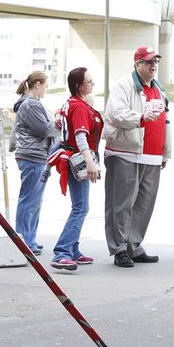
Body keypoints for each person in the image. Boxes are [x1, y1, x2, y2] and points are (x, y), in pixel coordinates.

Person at [102, 45, 170, 268]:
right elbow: (116, 114)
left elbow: (165, 121)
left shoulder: (158, 89)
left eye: (155, 62)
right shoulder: (124, 85)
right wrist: (141, 117)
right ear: (137, 64)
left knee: (144, 204)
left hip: (151, 155)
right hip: (126, 153)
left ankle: (134, 244)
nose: (153, 66)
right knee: (122, 203)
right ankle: (119, 247)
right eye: (148, 62)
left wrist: (165, 151)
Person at [47, 67, 104, 270]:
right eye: (89, 81)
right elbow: (80, 136)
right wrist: (90, 162)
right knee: (80, 207)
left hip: (75, 156)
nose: (92, 84)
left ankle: (71, 249)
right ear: (79, 85)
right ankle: (62, 251)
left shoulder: (73, 104)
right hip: (78, 158)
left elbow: (64, 128)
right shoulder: (78, 106)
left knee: (80, 206)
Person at [12, 71, 60, 255]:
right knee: (30, 200)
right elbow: (45, 130)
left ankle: (29, 238)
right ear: (38, 84)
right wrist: (60, 123)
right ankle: (24, 240)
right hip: (33, 156)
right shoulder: (31, 105)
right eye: (46, 85)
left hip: (34, 155)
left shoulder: (31, 104)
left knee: (34, 201)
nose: (47, 89)